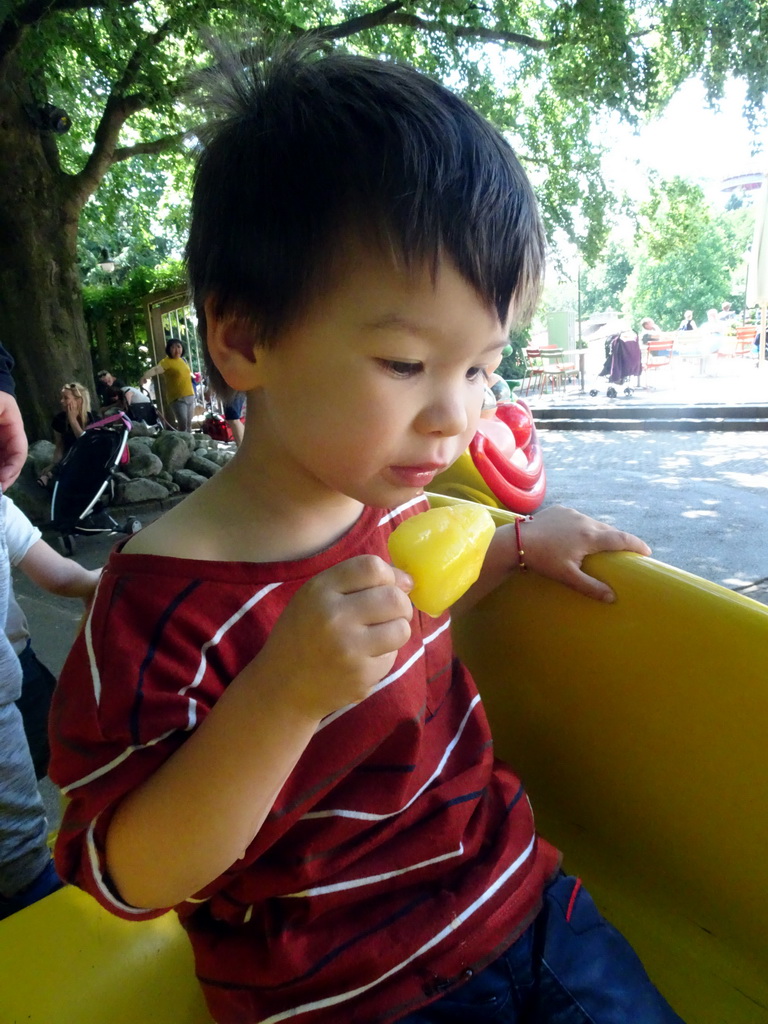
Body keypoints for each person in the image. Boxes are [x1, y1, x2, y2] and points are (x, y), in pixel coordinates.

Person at [49, 46, 683, 1024]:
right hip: (344, 995)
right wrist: (283, 698)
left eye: (481, 368)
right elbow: (125, 873)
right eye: (404, 361)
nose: (457, 416)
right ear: (244, 339)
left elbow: (421, 597)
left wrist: (518, 543)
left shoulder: (390, 509)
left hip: (524, 906)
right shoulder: (154, 609)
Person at [0, 494, 100, 921]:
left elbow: (64, 577)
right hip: (13, 685)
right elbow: (66, 579)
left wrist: (99, 583)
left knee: (41, 753)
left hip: (21, 674)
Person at [37, 382, 96, 488]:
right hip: (68, 459)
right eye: (61, 398)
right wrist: (53, 464)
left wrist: (73, 420)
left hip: (89, 459)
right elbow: (60, 445)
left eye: (66, 398)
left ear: (78, 400)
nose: (61, 401)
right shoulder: (59, 420)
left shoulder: (93, 419)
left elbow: (86, 443)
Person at [139, 338, 195, 431]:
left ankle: (190, 442)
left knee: (189, 423)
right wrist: (145, 376)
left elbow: (186, 373)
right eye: (173, 347)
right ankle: (183, 442)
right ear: (168, 349)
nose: (176, 350)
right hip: (177, 398)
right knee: (183, 422)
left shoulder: (183, 360)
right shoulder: (166, 362)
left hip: (189, 395)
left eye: (179, 346)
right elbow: (155, 370)